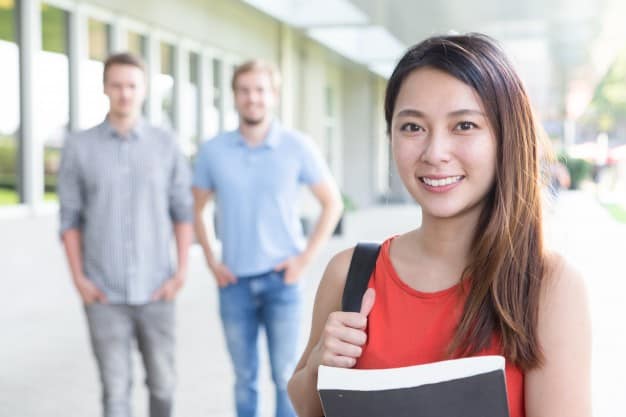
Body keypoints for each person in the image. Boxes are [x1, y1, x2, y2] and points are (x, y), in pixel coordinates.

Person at [287, 33, 592, 417]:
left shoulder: (549, 286)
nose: (435, 153)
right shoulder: (350, 273)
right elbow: (304, 405)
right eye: (412, 127)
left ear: (506, 137)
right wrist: (321, 363)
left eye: (463, 126)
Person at [192, 60, 343, 417]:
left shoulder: (296, 146)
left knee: (286, 376)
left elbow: (332, 204)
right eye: (244, 90)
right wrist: (213, 262)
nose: (252, 98)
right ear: (234, 96)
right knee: (244, 378)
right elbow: (196, 208)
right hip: (234, 283)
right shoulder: (213, 151)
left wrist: (303, 260)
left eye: (260, 90)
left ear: (273, 95)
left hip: (282, 282)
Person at [58, 52, 193, 417]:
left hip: (157, 290)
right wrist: (79, 281)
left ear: (143, 89)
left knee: (163, 385)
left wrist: (181, 274)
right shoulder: (79, 147)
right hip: (104, 294)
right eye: (116, 85)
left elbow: (183, 213)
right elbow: (68, 221)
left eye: (132, 85)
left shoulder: (166, 145)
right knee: (115, 392)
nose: (124, 93)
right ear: (105, 88)